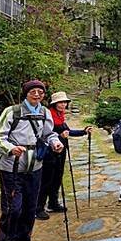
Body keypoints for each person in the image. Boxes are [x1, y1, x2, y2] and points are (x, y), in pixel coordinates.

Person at [0, 80, 64, 241]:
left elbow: (49, 134)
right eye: (33, 91)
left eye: (40, 91)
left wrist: (55, 142)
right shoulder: (12, 112)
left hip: (35, 167)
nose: (37, 94)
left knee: (30, 208)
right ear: (26, 93)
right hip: (12, 168)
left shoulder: (44, 112)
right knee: (13, 209)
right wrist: (10, 148)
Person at [35, 91, 92, 220]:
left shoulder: (60, 116)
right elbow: (45, 135)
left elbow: (67, 132)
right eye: (60, 102)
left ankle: (53, 203)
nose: (63, 104)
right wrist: (59, 137)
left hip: (61, 152)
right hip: (50, 152)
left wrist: (83, 131)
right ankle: (38, 208)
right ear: (54, 103)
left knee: (57, 178)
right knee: (46, 180)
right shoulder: (48, 115)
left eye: (65, 102)